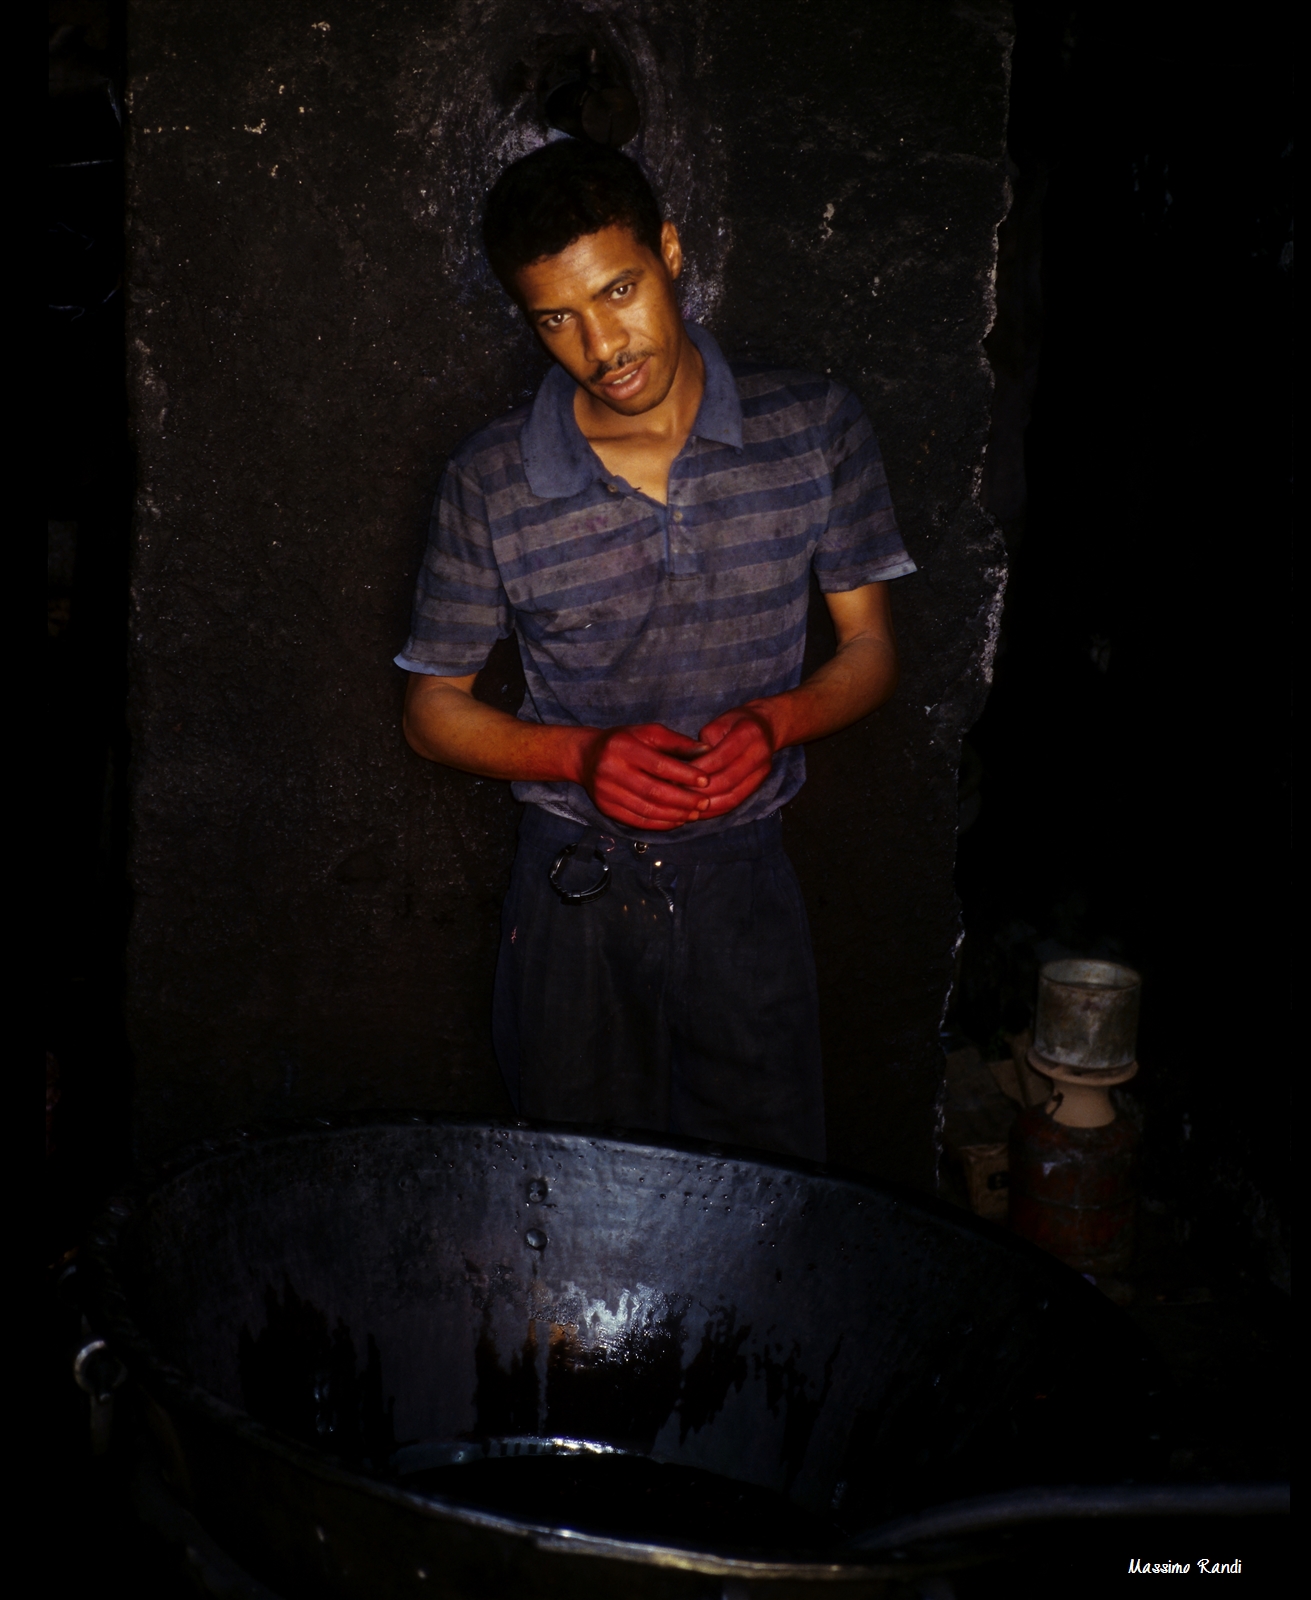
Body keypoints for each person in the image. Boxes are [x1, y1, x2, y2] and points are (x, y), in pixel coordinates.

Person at [397, 140, 915, 1161]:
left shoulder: (813, 430)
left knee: (759, 1198)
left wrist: (780, 720)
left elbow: (870, 651)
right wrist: (578, 756)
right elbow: (431, 712)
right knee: (574, 1202)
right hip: (572, 894)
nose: (602, 344)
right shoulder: (494, 477)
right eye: (558, 318)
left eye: (619, 290)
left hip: (745, 885)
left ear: (670, 251)